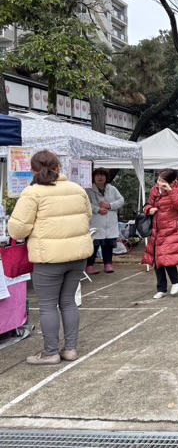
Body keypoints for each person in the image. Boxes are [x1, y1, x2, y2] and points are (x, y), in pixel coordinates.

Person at [8, 150, 93, 365]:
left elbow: (17, 230)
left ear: (33, 170)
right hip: (77, 255)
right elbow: (88, 216)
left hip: (48, 257)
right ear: (59, 168)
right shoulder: (77, 189)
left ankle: (51, 352)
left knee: (47, 305)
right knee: (68, 302)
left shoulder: (32, 193)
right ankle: (71, 349)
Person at [142, 169, 178, 299]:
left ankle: (176, 281)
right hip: (158, 229)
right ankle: (161, 288)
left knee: (167, 257)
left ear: (172, 181)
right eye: (158, 180)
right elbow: (147, 204)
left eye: (163, 181)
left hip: (173, 229)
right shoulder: (155, 190)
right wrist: (149, 210)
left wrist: (170, 190)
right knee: (157, 259)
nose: (159, 183)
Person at [85, 168, 124, 275]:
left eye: (102, 175)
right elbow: (86, 203)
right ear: (93, 177)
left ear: (106, 178)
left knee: (108, 244)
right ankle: (89, 266)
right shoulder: (88, 190)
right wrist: (97, 209)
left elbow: (121, 201)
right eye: (97, 175)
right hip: (96, 221)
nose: (100, 177)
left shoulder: (112, 189)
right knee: (94, 244)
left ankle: (108, 264)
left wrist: (110, 206)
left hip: (110, 221)